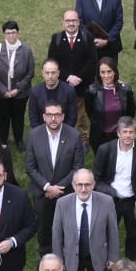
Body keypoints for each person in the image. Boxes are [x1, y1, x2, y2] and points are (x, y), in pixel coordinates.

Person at [52, 168, 119, 271]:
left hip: (98, 256)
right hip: (70, 257)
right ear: (73, 185)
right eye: (80, 185)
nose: (83, 189)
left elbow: (113, 231)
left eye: (87, 184)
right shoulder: (62, 203)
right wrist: (59, 261)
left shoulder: (106, 201)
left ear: (93, 184)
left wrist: (113, 257)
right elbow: (57, 233)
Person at [26, 101, 85, 254]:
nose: (53, 119)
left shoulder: (74, 135)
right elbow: (30, 166)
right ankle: (46, 258)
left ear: (63, 116)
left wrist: (59, 188)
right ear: (44, 117)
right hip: (42, 192)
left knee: (66, 227)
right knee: (44, 228)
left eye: (57, 115)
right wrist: (47, 187)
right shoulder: (34, 135)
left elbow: (77, 166)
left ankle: (65, 258)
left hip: (66, 193)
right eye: (50, 115)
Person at [93, 117, 136, 261]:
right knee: (108, 232)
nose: (128, 135)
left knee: (132, 233)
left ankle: (130, 263)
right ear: (118, 133)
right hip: (111, 199)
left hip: (133, 199)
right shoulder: (105, 149)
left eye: (131, 132)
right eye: (124, 132)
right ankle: (108, 261)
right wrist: (108, 191)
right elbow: (96, 179)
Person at [48, 8, 98, 139]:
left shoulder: (88, 38)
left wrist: (79, 77)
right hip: (62, 85)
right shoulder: (56, 39)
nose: (71, 23)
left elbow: (93, 62)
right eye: (68, 20)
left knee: (82, 116)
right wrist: (67, 77)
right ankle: (61, 138)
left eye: (74, 20)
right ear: (63, 22)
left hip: (82, 86)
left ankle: (83, 141)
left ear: (79, 22)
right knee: (61, 113)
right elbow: (52, 62)